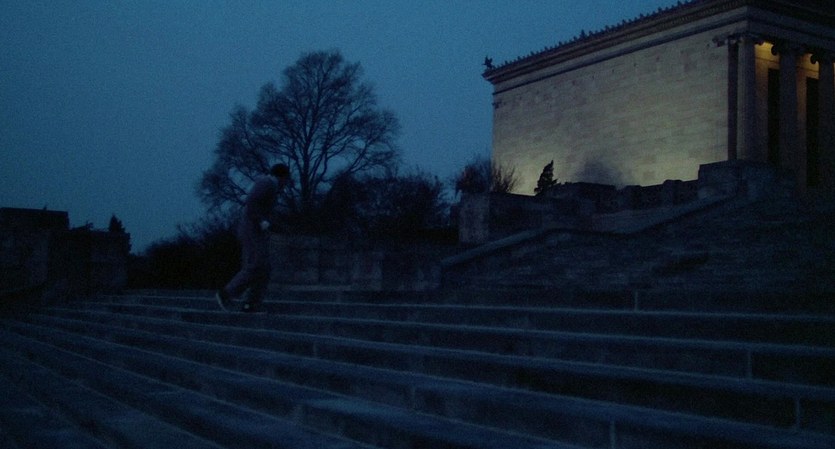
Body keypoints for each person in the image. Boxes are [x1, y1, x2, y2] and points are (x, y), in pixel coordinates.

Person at [216, 163, 290, 312]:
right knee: (256, 264)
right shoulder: (267, 183)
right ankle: (226, 294)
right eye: (286, 180)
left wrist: (276, 225)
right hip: (251, 229)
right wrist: (261, 221)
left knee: (265, 268)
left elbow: (263, 209)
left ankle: (251, 304)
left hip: (256, 230)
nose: (286, 184)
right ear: (282, 177)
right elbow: (251, 202)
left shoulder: (272, 187)